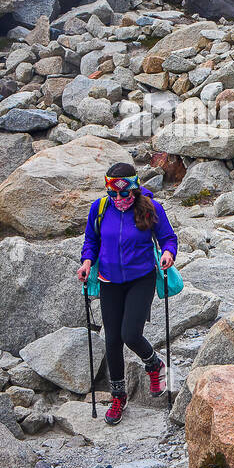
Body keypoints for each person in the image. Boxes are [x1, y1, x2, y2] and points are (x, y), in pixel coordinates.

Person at [76, 163, 178, 425]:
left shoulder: (151, 208)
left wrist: (168, 253)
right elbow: (91, 241)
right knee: (112, 340)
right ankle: (118, 396)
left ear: (134, 188)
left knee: (130, 334)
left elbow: (168, 238)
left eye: (125, 194)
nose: (120, 199)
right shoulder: (100, 209)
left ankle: (154, 365)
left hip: (140, 278)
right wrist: (87, 262)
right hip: (109, 280)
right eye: (114, 194)